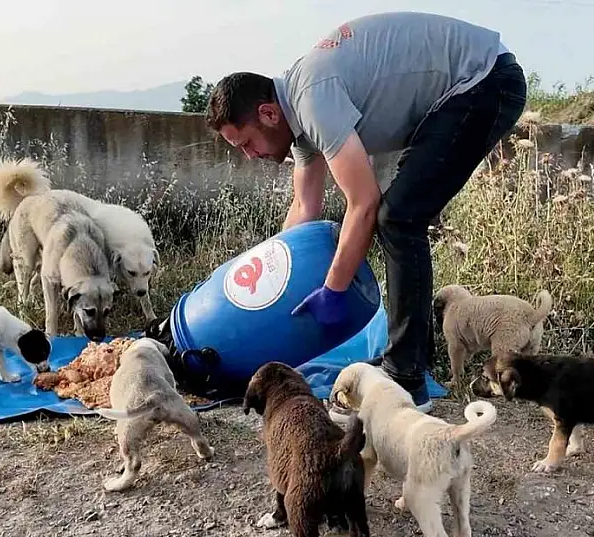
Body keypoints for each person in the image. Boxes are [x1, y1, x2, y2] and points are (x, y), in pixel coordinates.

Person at [205, 11, 527, 413]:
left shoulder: (312, 99)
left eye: (246, 144)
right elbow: (304, 209)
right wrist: (272, 279)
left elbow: (364, 203)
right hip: (462, 89)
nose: (250, 156)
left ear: (268, 114)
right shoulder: (298, 117)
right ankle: (410, 360)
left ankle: (406, 379)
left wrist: (334, 290)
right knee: (400, 215)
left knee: (398, 216)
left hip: (484, 80)